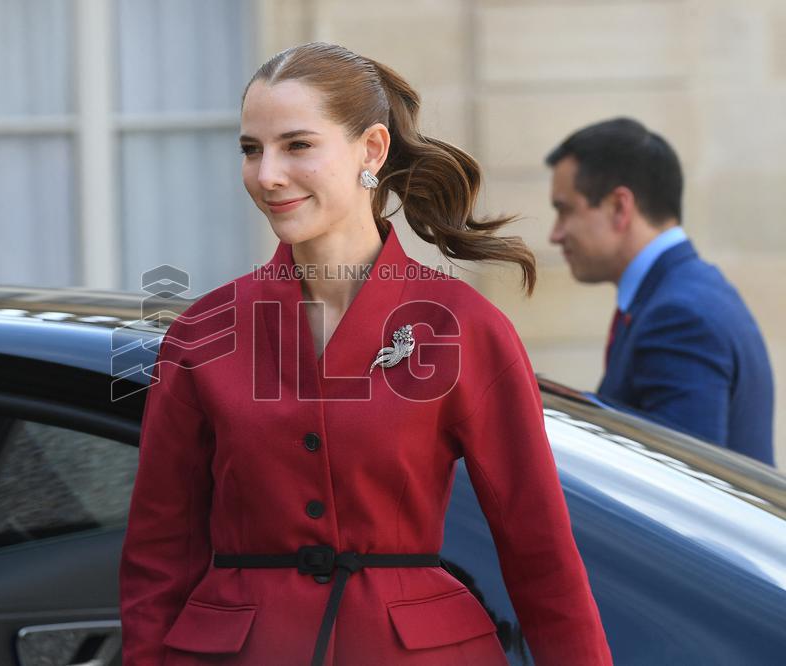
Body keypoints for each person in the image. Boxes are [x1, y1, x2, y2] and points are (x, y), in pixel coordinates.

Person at [121, 43, 612, 665]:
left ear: (371, 150)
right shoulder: (202, 333)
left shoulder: (465, 327)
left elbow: (539, 552)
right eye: (251, 149)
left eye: (297, 145)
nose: (267, 173)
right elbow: (157, 557)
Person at [546, 118, 774, 465]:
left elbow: (682, 492)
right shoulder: (682, 293)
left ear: (620, 207)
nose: (555, 234)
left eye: (565, 210)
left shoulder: (680, 315)